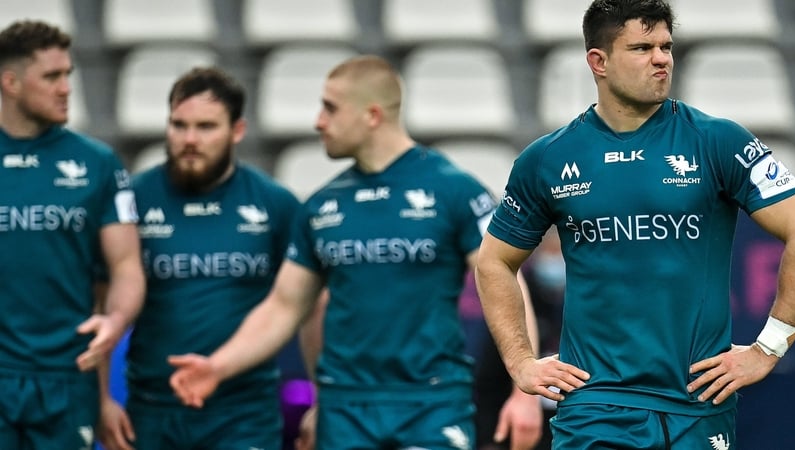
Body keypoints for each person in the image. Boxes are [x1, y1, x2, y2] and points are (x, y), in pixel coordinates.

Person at [168, 54, 544, 450]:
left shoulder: (454, 191)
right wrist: (217, 367)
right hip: (343, 410)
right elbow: (284, 307)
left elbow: (503, 279)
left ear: (372, 115)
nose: (318, 122)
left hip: (431, 405)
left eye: (330, 108)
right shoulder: (321, 206)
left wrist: (524, 393)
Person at [474, 0, 795, 448]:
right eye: (642, 48)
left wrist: (770, 347)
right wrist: (521, 363)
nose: (661, 58)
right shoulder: (548, 159)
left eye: (666, 46)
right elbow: (493, 262)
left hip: (699, 405)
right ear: (599, 61)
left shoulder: (718, 141)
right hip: (595, 408)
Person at [96, 67, 301, 450]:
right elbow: (99, 302)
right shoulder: (131, 201)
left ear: (237, 130)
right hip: (152, 411)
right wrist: (102, 397)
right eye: (179, 125)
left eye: (206, 127)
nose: (190, 139)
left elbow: (307, 303)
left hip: (244, 414)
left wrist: (320, 398)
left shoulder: (275, 204)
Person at [0, 20, 145, 449]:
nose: (66, 88)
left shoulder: (98, 164)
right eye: (51, 77)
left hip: (67, 376)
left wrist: (116, 321)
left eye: (68, 75)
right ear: (10, 82)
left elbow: (126, 266)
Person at [475, 227, 564, 450]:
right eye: (550, 250)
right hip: (517, 431)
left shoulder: (582, 303)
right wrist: (489, 440)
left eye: (558, 252)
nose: (553, 258)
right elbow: (489, 382)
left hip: (571, 428)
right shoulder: (519, 299)